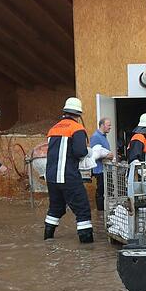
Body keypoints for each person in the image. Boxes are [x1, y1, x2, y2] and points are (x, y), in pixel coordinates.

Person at [43, 97, 93, 243]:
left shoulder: (53, 129)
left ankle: (48, 238)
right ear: (79, 114)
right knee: (82, 210)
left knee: (55, 208)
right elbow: (80, 152)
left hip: (51, 178)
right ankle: (87, 246)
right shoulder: (77, 128)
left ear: (65, 112)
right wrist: (89, 152)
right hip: (68, 176)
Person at [89, 116, 114, 212]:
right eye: (108, 125)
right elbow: (95, 154)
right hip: (100, 169)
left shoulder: (103, 136)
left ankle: (107, 210)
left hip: (106, 168)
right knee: (101, 190)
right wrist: (107, 156)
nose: (110, 127)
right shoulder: (96, 137)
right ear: (102, 125)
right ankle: (101, 211)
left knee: (108, 189)